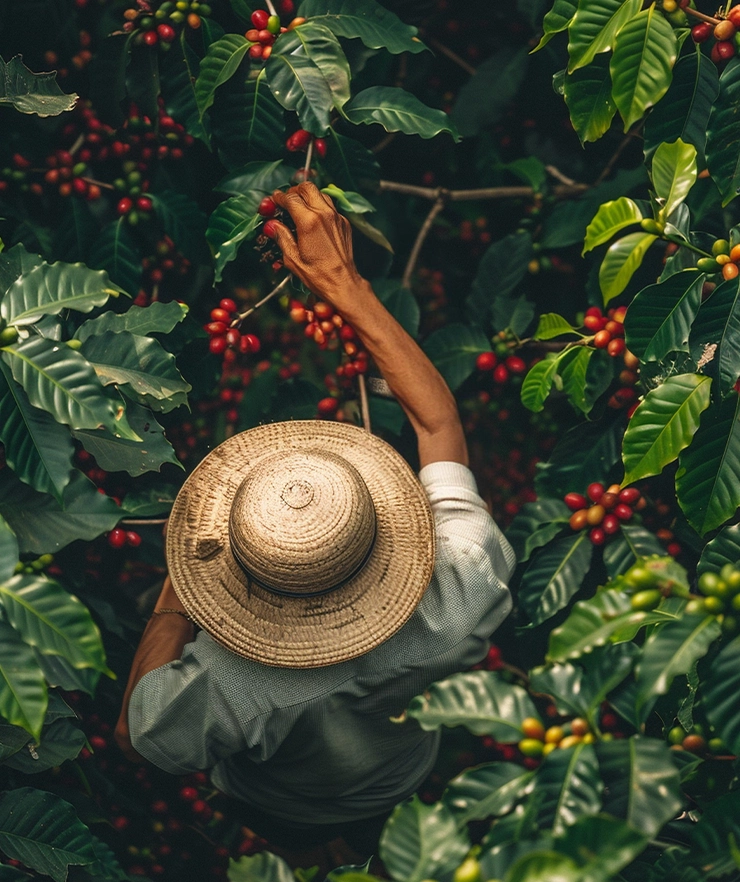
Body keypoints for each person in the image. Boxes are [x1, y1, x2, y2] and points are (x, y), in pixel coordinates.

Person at [115, 182, 515, 872]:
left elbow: (134, 733)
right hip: (400, 780)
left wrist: (182, 583)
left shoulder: (226, 684)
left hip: (279, 804)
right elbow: (437, 424)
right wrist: (345, 285)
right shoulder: (461, 589)